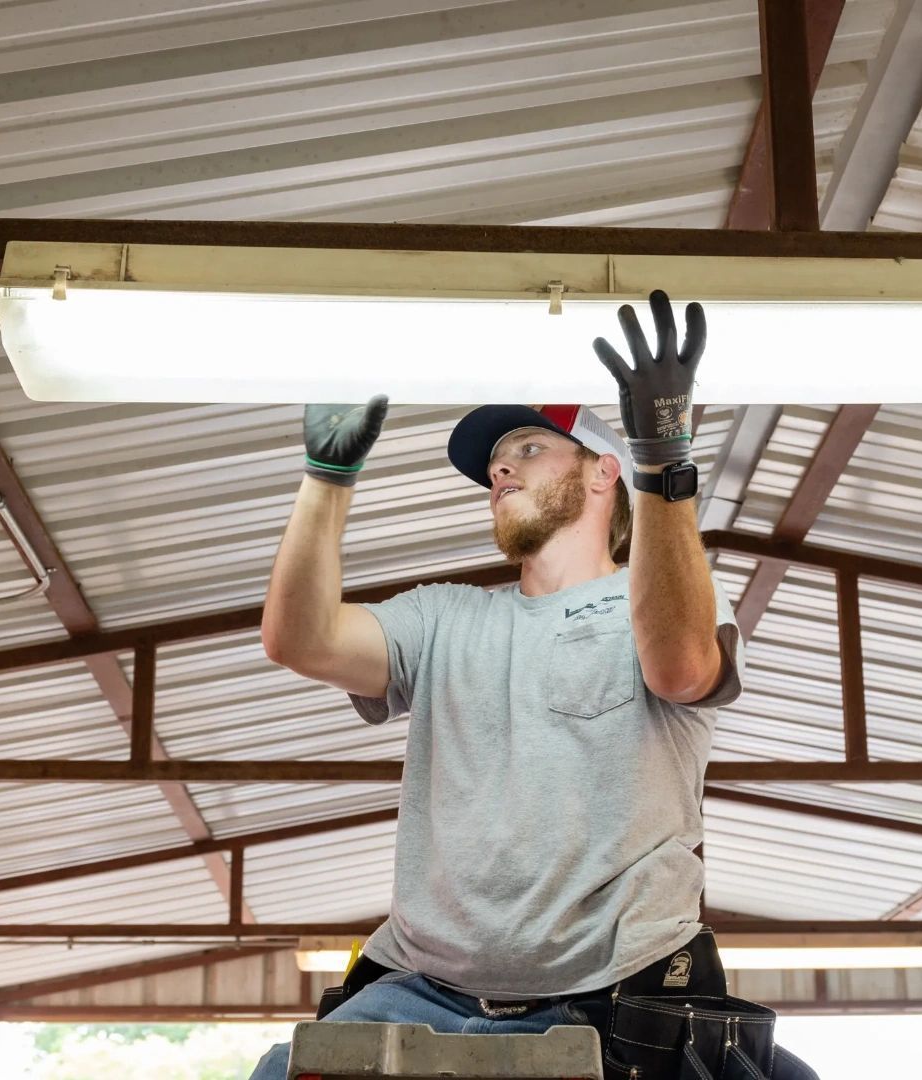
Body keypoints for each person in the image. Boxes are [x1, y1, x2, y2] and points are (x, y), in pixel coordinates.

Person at [249, 292, 746, 1080]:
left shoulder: (659, 597)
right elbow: (298, 639)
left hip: (615, 997)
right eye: (494, 462)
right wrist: (327, 476)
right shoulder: (446, 616)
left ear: (602, 472)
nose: (499, 466)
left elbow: (683, 664)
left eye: (526, 446)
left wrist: (665, 465)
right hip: (421, 990)